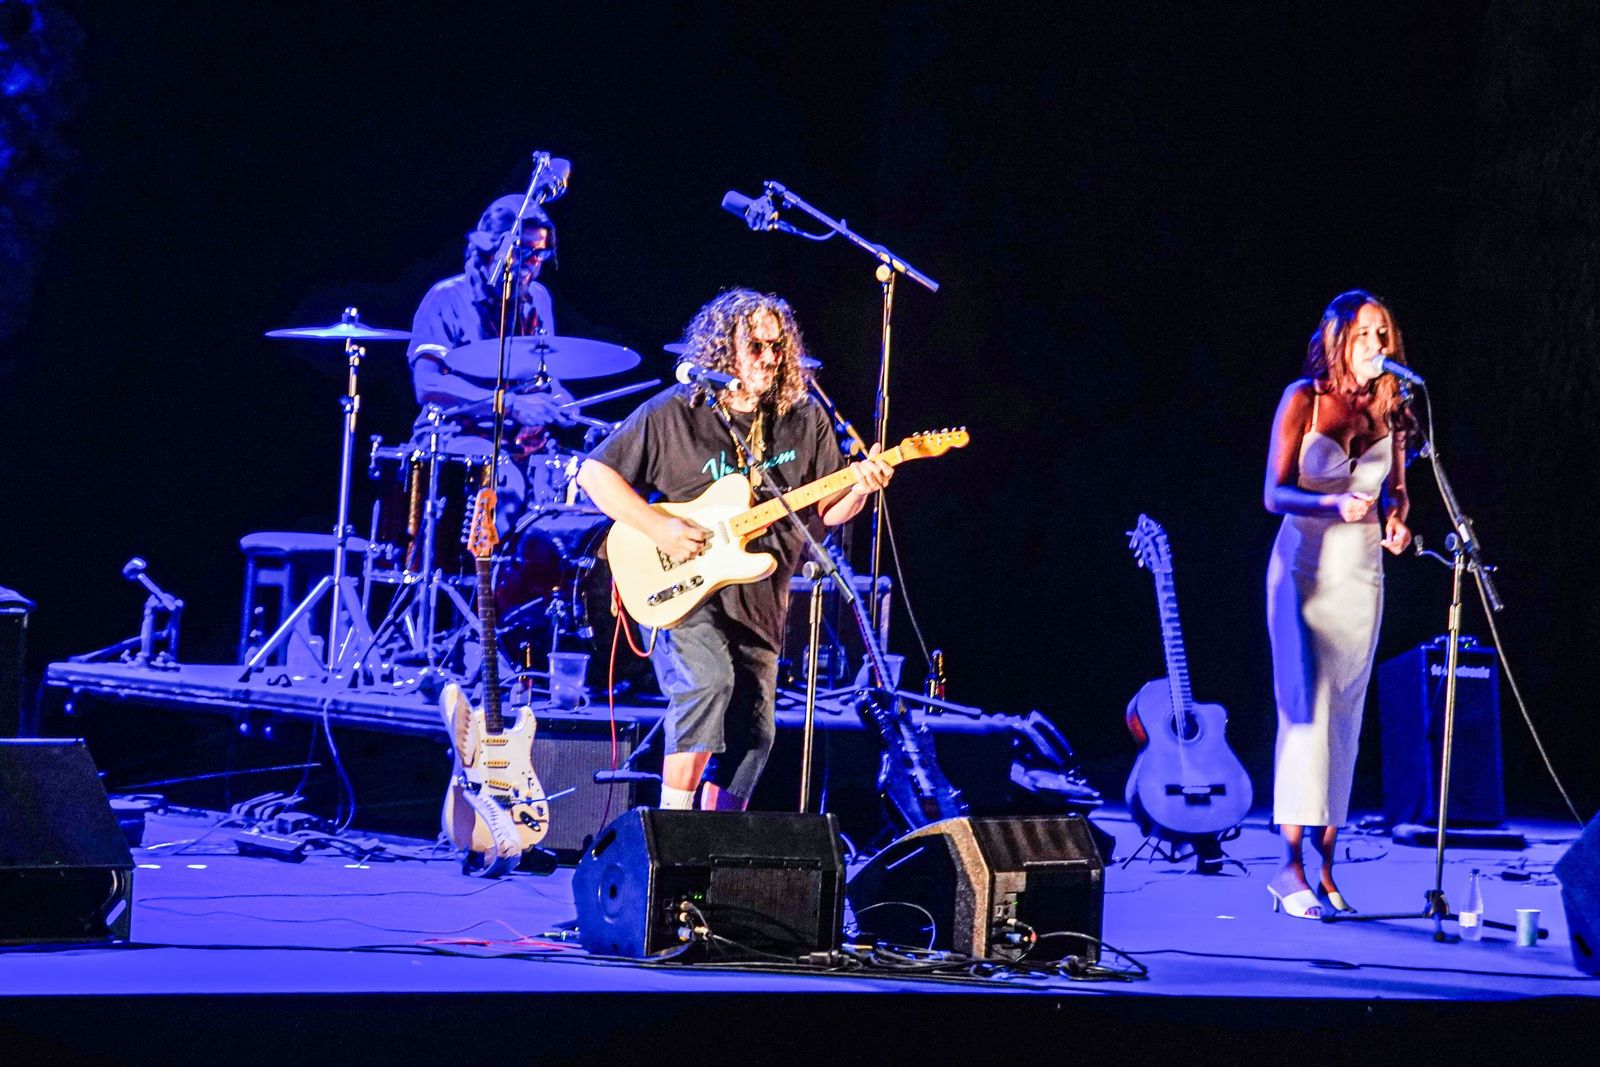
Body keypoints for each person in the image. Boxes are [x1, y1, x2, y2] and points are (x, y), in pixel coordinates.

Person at [575, 289, 894, 811]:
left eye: (777, 346)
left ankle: (715, 844)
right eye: (756, 346)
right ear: (723, 349)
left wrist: (860, 486)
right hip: (680, 589)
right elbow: (594, 472)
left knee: (754, 733)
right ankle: (672, 830)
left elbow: (827, 512)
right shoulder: (676, 413)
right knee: (707, 685)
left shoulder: (803, 418)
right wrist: (658, 527)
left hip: (761, 596)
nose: (770, 358)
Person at [1264, 289, 1413, 919]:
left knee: (1346, 717)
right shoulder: (1305, 398)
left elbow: (1396, 492)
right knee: (1307, 711)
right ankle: (1287, 867)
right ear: (1338, 339)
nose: (1377, 345)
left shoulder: (1392, 407)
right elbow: (1274, 493)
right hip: (1302, 571)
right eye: (1364, 334)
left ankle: (1326, 868)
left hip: (1361, 577)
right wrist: (1331, 504)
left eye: (1384, 334)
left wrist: (1398, 520)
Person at [406, 195, 576, 520]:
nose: (534, 266)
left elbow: (542, 374)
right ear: (492, 249)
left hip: (523, 442)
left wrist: (558, 397)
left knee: (592, 480)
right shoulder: (447, 298)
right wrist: (508, 404)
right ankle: (484, 571)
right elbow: (427, 384)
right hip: (458, 435)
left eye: (542, 255)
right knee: (504, 484)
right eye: (526, 254)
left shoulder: (538, 298)